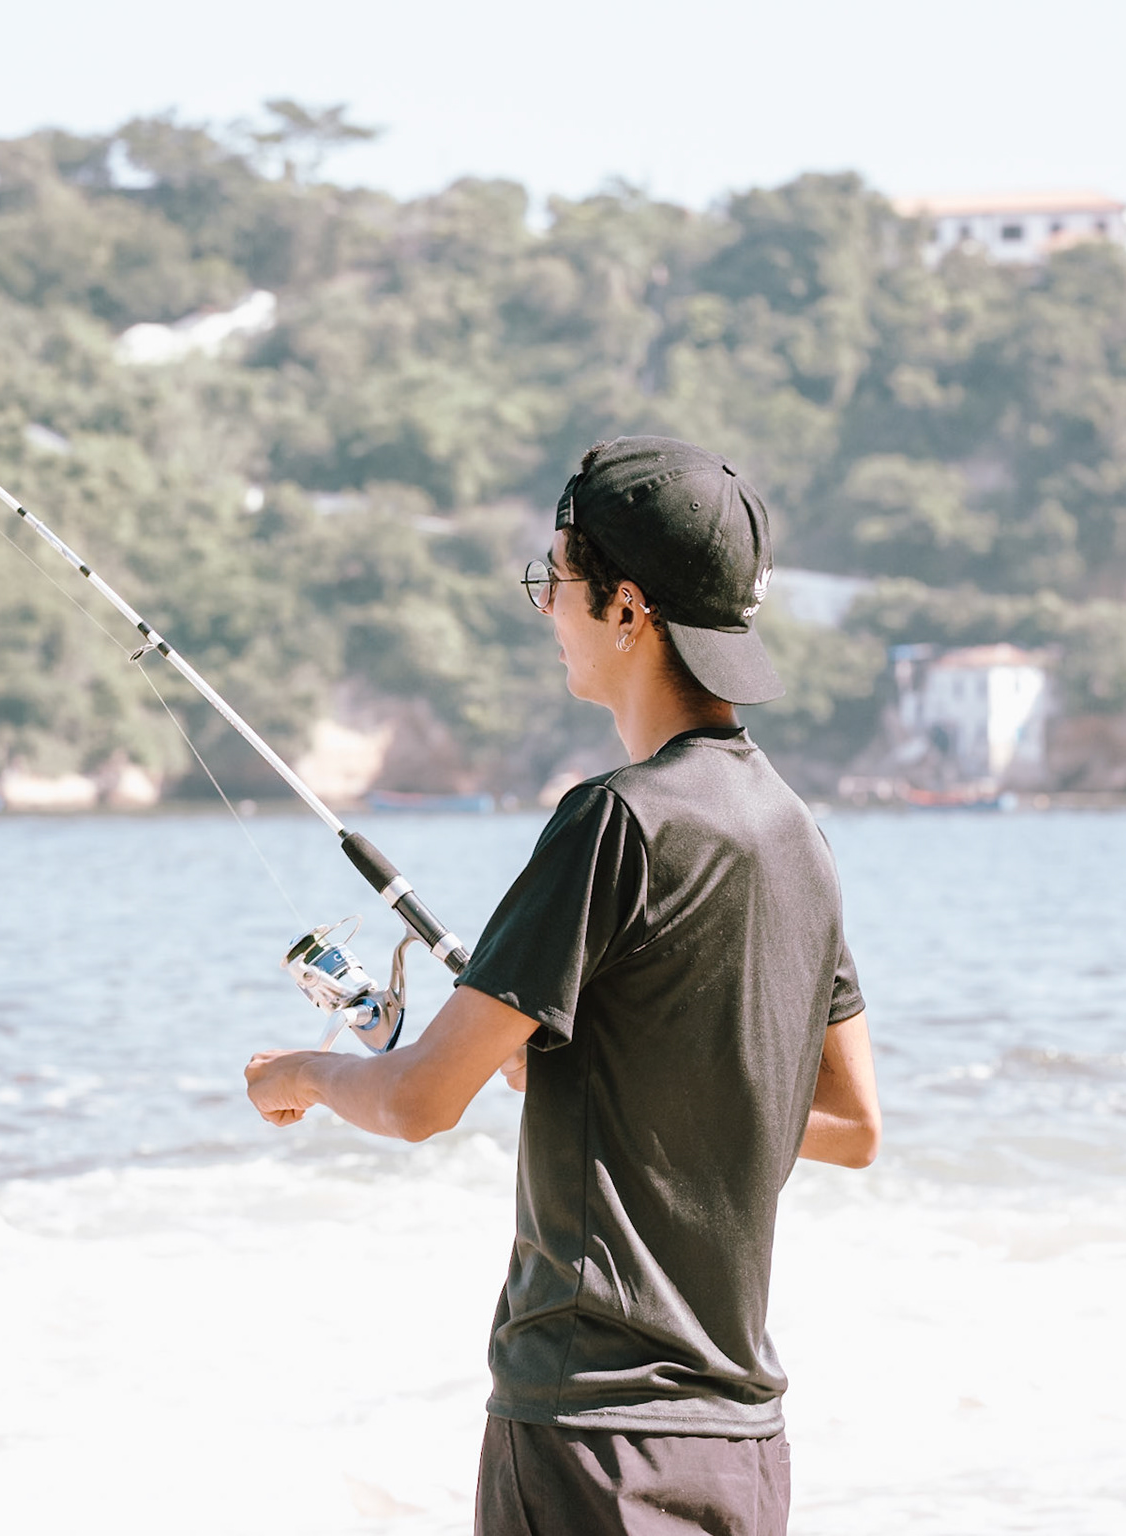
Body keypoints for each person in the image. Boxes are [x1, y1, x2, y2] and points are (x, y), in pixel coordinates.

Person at [245, 436, 881, 1536]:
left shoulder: (613, 821)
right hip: (742, 1450)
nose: (545, 606)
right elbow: (852, 1123)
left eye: (555, 578)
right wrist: (604, 1093)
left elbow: (417, 1101)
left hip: (589, 1440)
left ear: (626, 609)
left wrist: (297, 1074)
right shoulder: (797, 837)